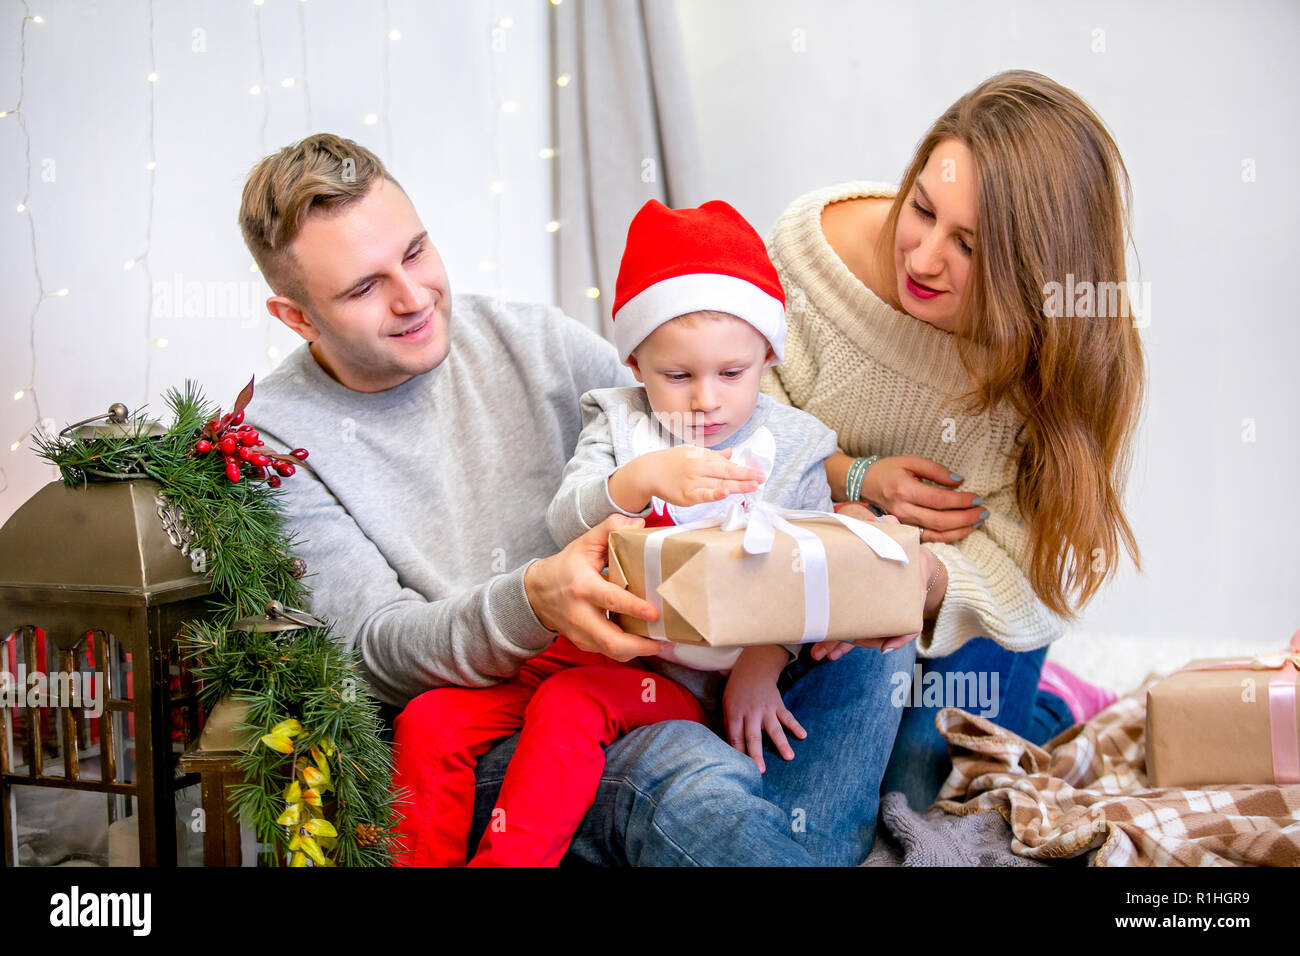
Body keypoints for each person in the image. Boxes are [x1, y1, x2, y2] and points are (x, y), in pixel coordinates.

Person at [240, 133, 916, 866]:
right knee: (672, 771)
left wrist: (849, 496)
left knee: (877, 612)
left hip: (670, 666)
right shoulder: (279, 439)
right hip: (518, 714)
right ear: (298, 318)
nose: (413, 298)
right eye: (363, 288)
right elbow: (376, 654)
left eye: (415, 253)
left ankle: (802, 828)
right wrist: (533, 601)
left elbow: (717, 404)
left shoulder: (537, 340)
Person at [395, 199, 923, 866]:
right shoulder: (618, 421)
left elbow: (813, 573)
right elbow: (564, 520)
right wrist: (640, 479)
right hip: (578, 641)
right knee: (428, 722)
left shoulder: (792, 445)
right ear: (638, 362)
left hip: (669, 679)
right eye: (677, 376)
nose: (705, 399)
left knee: (570, 706)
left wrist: (765, 662)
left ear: (766, 356)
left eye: (730, 373)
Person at [761, 69, 1144, 810]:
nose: (924, 258)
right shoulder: (816, 256)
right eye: (922, 210)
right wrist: (848, 474)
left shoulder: (1066, 358)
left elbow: (1044, 574)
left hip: (966, 609)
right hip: (814, 576)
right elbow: (744, 408)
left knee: (921, 799)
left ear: (1037, 276)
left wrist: (920, 580)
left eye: (969, 245)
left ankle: (1051, 710)